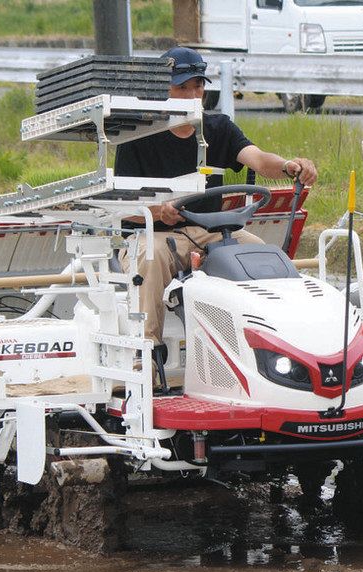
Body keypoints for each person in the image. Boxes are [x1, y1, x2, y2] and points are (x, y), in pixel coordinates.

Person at [115, 46, 318, 349]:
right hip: (152, 235)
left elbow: (260, 161)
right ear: (161, 89)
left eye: (196, 86)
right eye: (181, 87)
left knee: (262, 254)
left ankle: (277, 347)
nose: (191, 94)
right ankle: (145, 357)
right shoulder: (137, 134)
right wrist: (159, 212)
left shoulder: (218, 127)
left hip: (210, 233)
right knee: (151, 257)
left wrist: (290, 166)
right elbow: (122, 206)